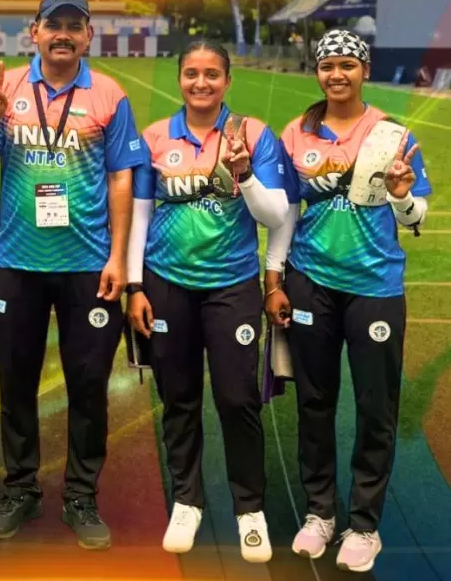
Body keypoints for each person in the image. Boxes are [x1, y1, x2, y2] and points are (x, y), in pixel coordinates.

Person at [0, 0, 145, 550]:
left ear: (88, 35)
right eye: (53, 24)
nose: (63, 34)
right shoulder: (7, 88)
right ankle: (20, 489)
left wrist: (118, 258)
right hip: (16, 264)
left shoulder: (109, 94)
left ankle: (81, 495)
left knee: (88, 386)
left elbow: (121, 177)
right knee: (16, 381)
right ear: (35, 32)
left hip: (88, 267)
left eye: (74, 25)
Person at [264, 29, 432, 573]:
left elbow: (416, 216)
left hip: (374, 288)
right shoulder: (298, 132)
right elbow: (287, 212)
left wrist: (402, 197)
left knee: (375, 407)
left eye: (347, 64)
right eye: (327, 65)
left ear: (364, 70)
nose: (337, 74)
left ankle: (364, 524)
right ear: (317, 71)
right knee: (314, 402)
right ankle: (320, 514)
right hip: (311, 282)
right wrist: (274, 279)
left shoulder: (391, 133)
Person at [126, 39, 288, 562]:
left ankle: (249, 508)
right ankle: (187, 501)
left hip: (231, 286)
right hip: (166, 284)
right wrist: (135, 286)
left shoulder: (253, 134)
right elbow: (141, 215)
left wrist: (245, 175)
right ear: (180, 79)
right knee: (179, 398)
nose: (201, 83)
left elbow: (275, 215)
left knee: (238, 399)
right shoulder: (155, 137)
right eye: (192, 73)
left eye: (212, 74)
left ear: (227, 80)